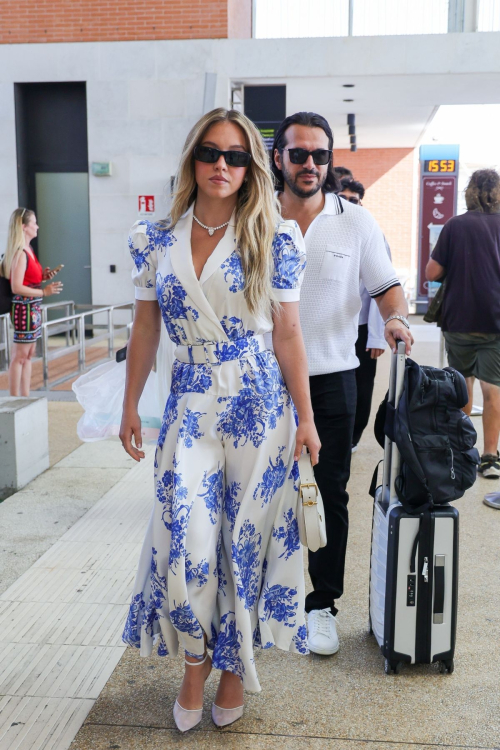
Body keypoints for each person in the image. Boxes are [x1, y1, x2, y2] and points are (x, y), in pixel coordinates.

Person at [119, 107, 321, 732]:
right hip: (189, 400)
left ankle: (234, 671)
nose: (222, 166)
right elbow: (146, 326)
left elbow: (288, 333)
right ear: (192, 160)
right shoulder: (155, 239)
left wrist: (308, 420)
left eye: (236, 157)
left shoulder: (275, 236)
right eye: (211, 153)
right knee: (188, 538)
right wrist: (131, 404)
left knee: (246, 541)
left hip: (259, 401)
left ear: (251, 166)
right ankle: (194, 661)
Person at [272, 111, 413, 656]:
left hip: (332, 378)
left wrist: (395, 318)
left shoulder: (355, 221)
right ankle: (257, 599)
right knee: (254, 490)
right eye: (299, 154)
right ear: (279, 157)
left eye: (319, 155)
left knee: (328, 493)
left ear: (329, 160)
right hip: (260, 381)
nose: (310, 165)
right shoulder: (254, 215)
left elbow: (387, 286)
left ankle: (321, 605)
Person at [426, 169, 500, 495]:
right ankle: (490, 457)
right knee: (493, 391)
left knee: (461, 387)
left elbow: (432, 272)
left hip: (459, 318)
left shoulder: (455, 225)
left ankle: (461, 451)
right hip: (496, 321)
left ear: (469, 192)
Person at [337, 178, 387, 450]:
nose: (347, 204)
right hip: (330, 325)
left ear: (361, 204)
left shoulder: (372, 233)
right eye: (341, 198)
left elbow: (383, 286)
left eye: (353, 200)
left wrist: (378, 336)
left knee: (361, 384)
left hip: (363, 327)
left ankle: (353, 437)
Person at [0, 208, 63, 396]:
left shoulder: (29, 250)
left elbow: (27, 280)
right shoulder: (20, 253)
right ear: (23, 227)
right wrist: (43, 291)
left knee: (28, 355)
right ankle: (14, 398)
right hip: (24, 309)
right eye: (34, 223)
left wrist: (42, 277)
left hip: (32, 309)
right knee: (19, 356)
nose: (37, 226)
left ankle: (25, 395)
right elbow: (16, 287)